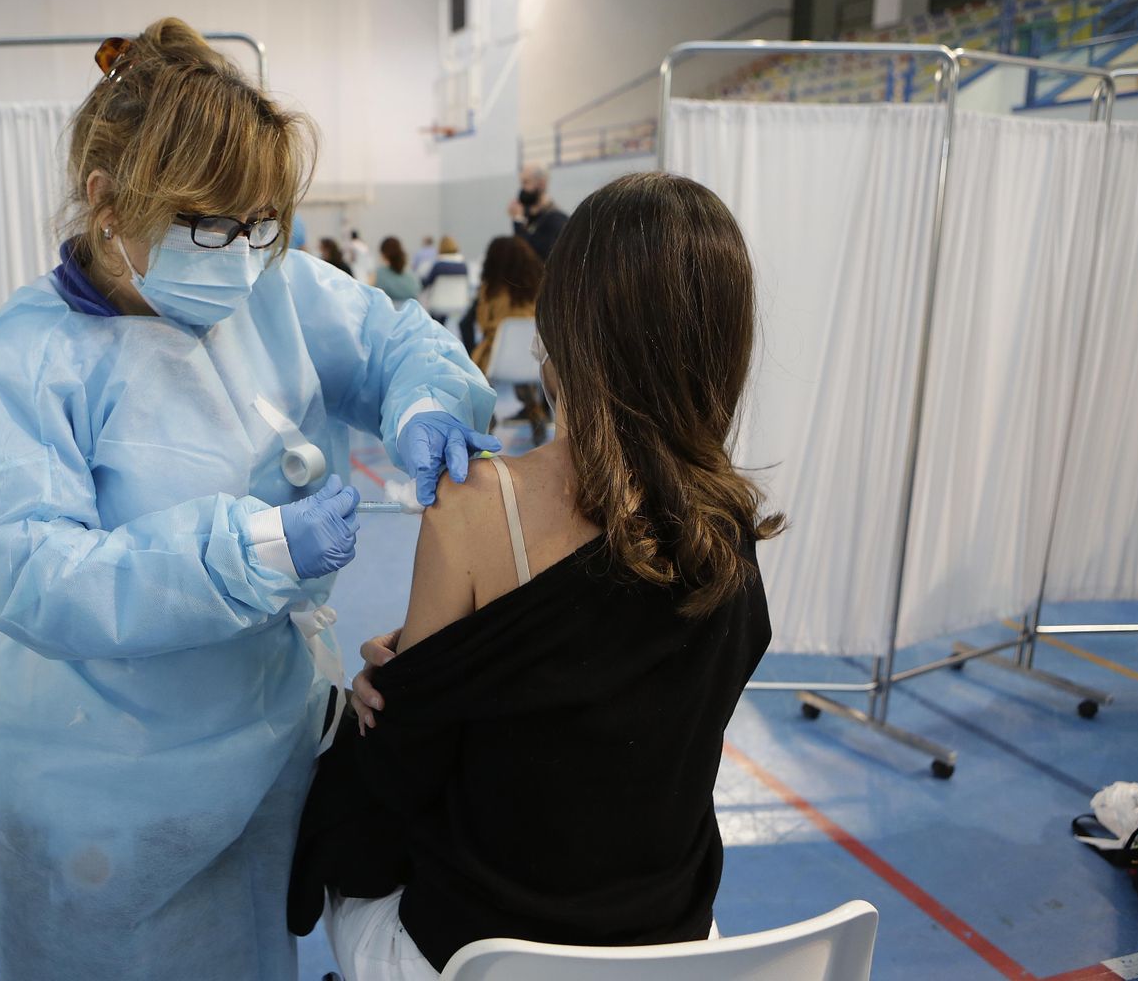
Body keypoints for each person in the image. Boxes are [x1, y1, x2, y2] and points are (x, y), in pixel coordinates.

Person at [0, 19, 499, 981]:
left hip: (271, 749)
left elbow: (396, 340)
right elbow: (27, 570)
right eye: (208, 225)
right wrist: (248, 553)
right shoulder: (26, 362)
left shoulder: (269, 290)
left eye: (260, 224)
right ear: (109, 202)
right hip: (107, 794)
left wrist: (426, 400)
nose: (238, 254)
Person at [289, 172, 783, 980]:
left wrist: (387, 701)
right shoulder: (728, 532)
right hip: (677, 949)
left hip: (486, 952)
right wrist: (436, 679)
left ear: (564, 328)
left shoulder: (480, 508)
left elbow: (400, 780)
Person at [470, 236, 549, 444]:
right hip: (533, 358)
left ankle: (487, 415)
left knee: (475, 372)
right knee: (523, 375)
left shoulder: (491, 289)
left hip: (496, 359)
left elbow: (483, 322)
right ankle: (535, 411)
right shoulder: (539, 287)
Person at [508, 162, 568, 261]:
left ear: (541, 184)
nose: (522, 189)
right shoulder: (529, 215)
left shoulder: (556, 219)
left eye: (526, 182)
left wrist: (518, 220)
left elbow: (530, 252)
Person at [374, 237, 423, 305]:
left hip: (387, 312)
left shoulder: (379, 274)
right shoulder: (410, 274)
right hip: (410, 312)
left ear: (383, 254)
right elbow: (417, 291)